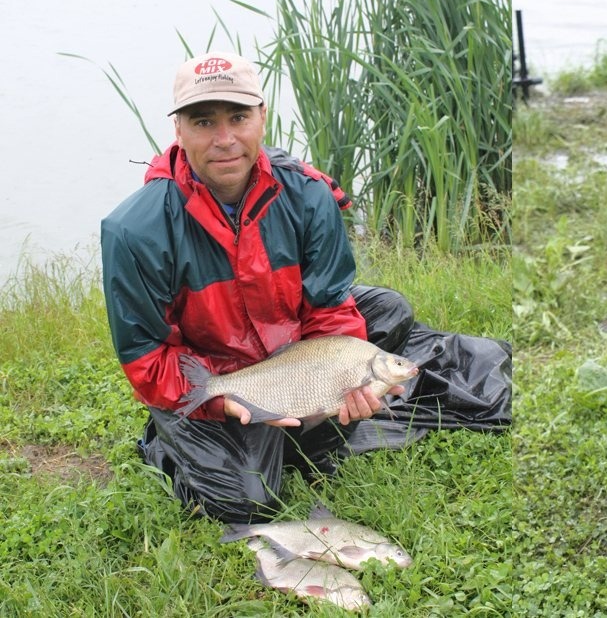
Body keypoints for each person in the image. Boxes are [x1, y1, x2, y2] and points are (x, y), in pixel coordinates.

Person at [101, 51, 415, 523]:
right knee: (246, 502)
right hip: (213, 371)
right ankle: (169, 442)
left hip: (288, 356)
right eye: (204, 121)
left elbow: (329, 307)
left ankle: (303, 424)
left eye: (239, 117)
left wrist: (346, 376)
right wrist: (225, 397)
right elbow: (147, 360)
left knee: (387, 310)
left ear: (262, 118)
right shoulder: (134, 231)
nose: (225, 139)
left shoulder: (308, 194)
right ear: (179, 131)